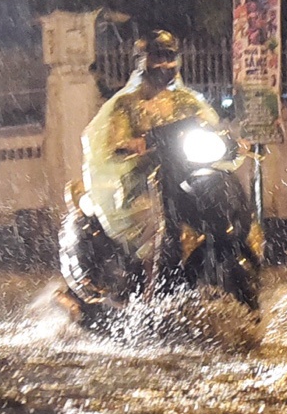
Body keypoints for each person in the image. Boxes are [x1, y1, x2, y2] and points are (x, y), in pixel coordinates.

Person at [76, 29, 219, 282]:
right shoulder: (127, 104)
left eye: (169, 56)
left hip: (187, 178)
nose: (164, 64)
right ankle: (150, 294)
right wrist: (134, 144)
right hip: (144, 183)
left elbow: (209, 126)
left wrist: (231, 140)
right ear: (142, 61)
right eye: (157, 57)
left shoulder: (188, 101)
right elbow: (116, 141)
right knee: (157, 233)